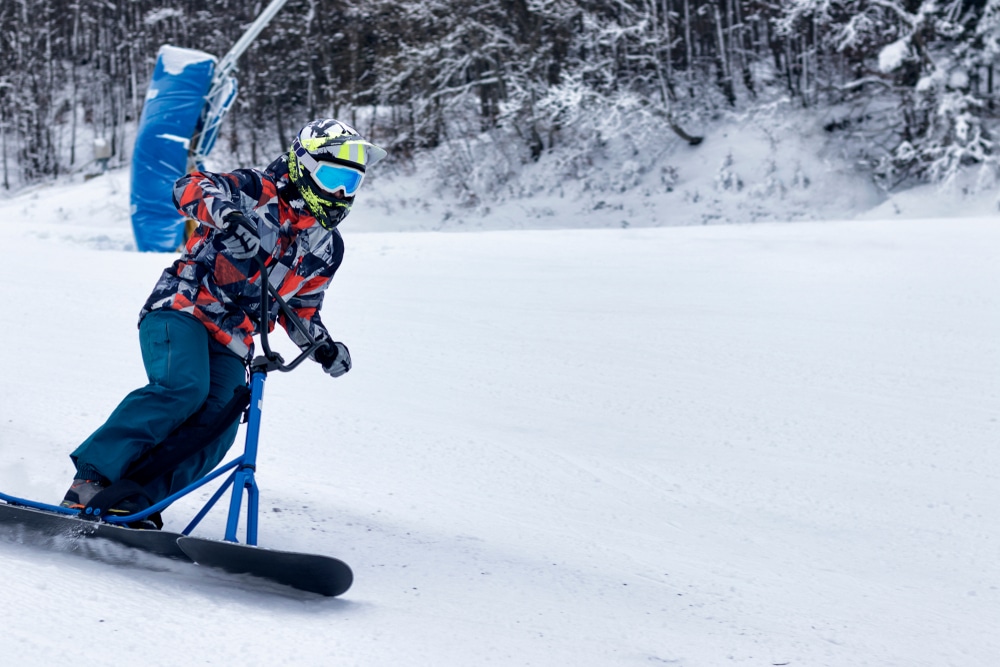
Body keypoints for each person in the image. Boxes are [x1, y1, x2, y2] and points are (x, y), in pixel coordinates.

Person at [60, 119, 386, 528]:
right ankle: (91, 479)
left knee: (222, 423)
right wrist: (228, 216)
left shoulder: (326, 248)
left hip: (234, 337)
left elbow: (301, 308)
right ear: (303, 167)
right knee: (184, 388)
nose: (339, 193)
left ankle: (133, 500)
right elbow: (188, 187)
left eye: (350, 184)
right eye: (333, 178)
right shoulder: (256, 190)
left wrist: (324, 346)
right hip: (183, 307)